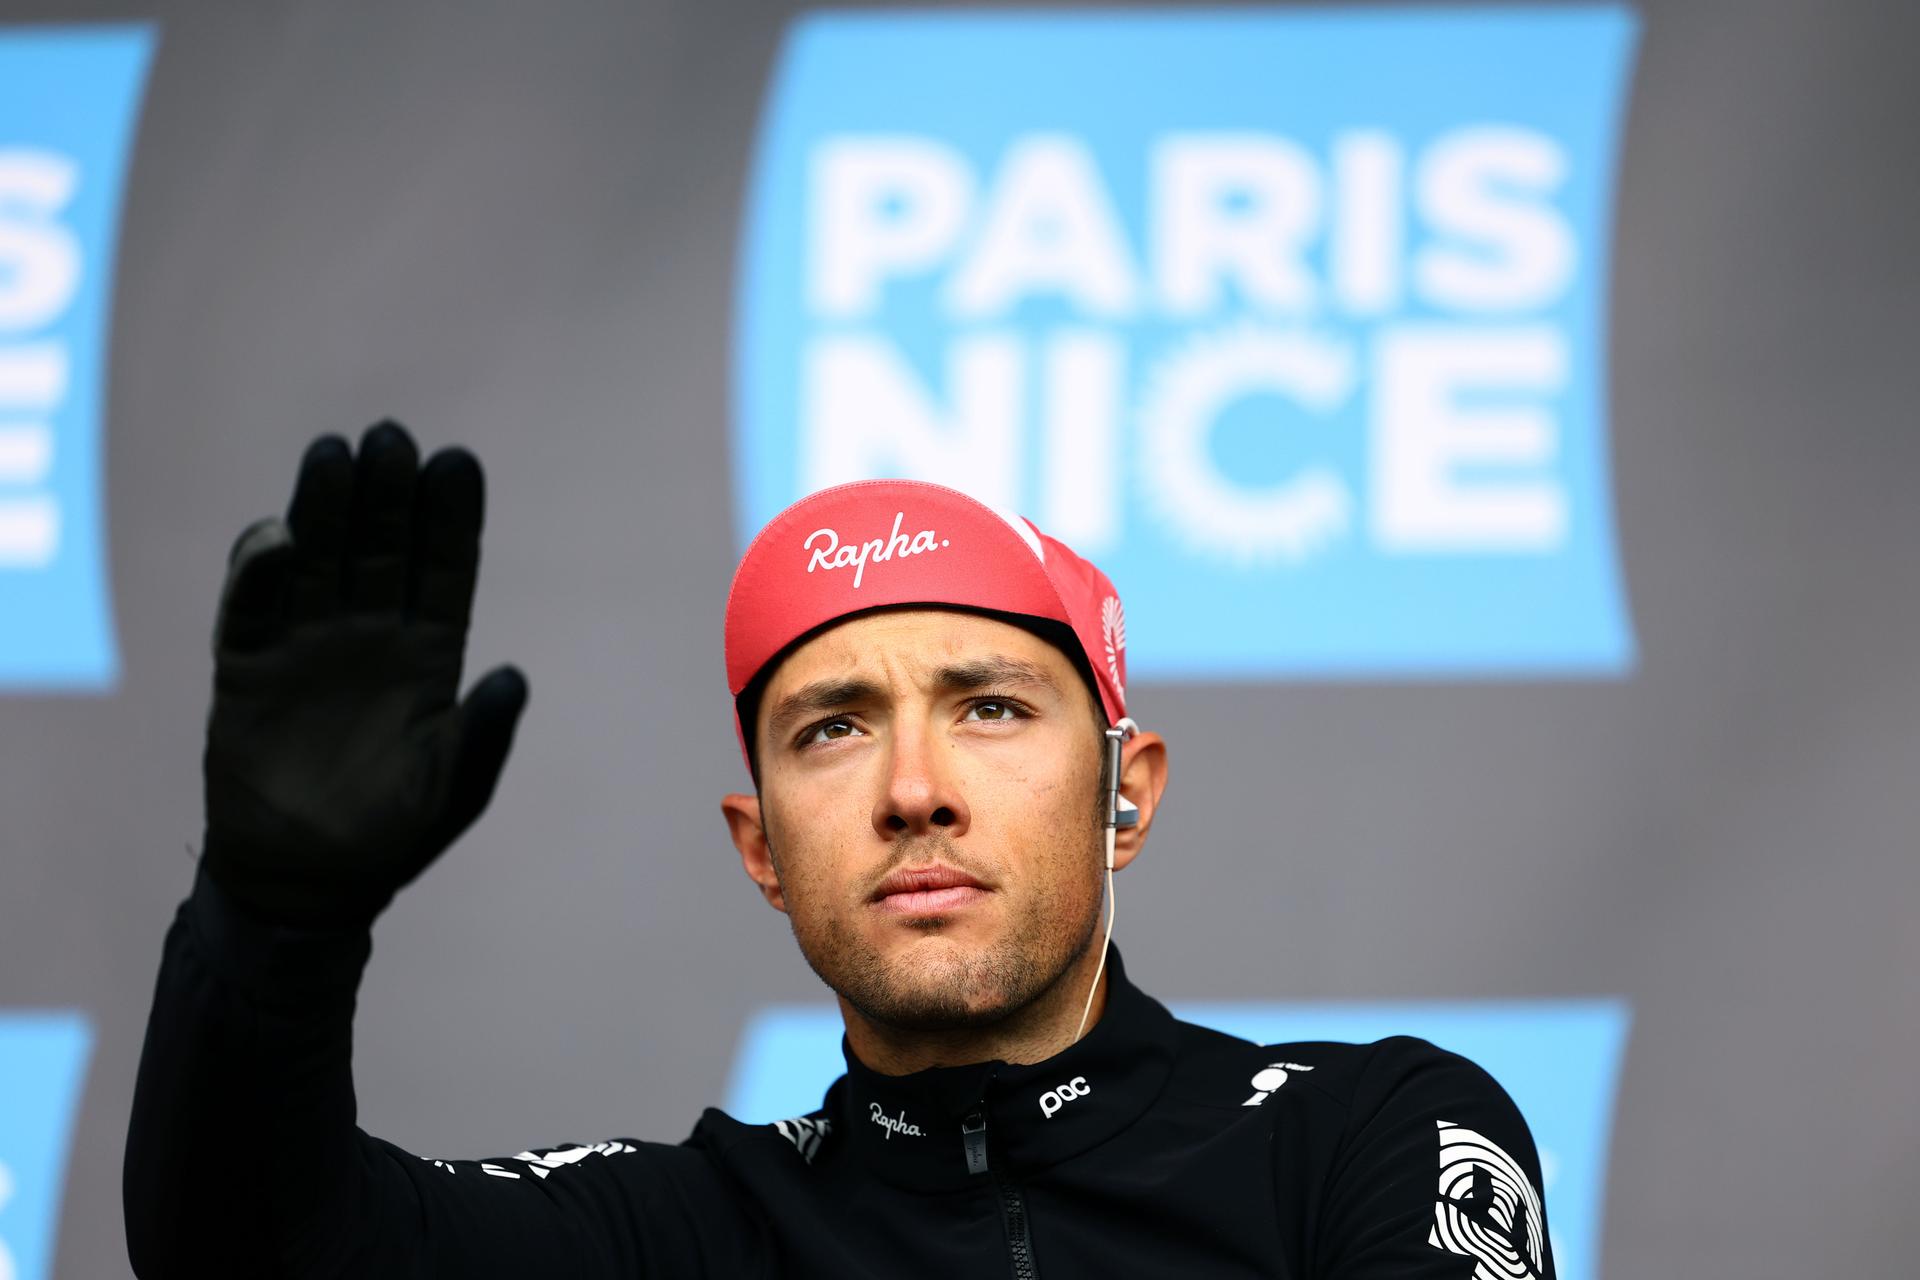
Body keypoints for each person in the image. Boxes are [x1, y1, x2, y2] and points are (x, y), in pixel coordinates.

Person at [124, 422, 1556, 1278]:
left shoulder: (1367, 1135)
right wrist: (273, 925)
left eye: (991, 708)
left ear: (1130, 791)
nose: (914, 789)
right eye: (831, 730)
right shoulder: (685, 1233)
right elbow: (252, 1253)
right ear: (761, 846)